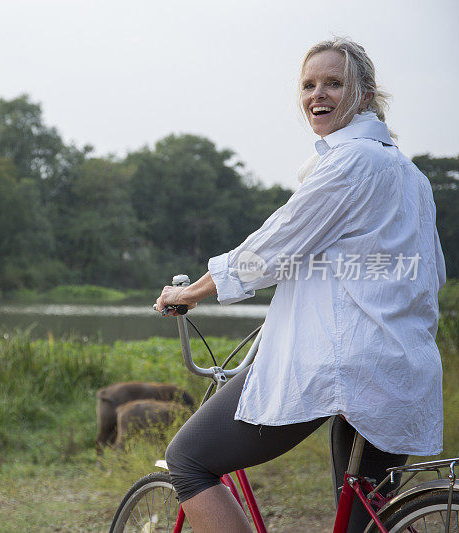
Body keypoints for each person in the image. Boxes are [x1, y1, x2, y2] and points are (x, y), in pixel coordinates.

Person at [155, 37, 446, 533]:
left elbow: (273, 247)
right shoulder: (409, 175)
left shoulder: (352, 162)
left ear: (366, 94)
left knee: (188, 460)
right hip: (400, 372)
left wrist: (190, 292)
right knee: (362, 520)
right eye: (309, 85)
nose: (318, 94)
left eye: (335, 83)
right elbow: (430, 274)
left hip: (339, 366)